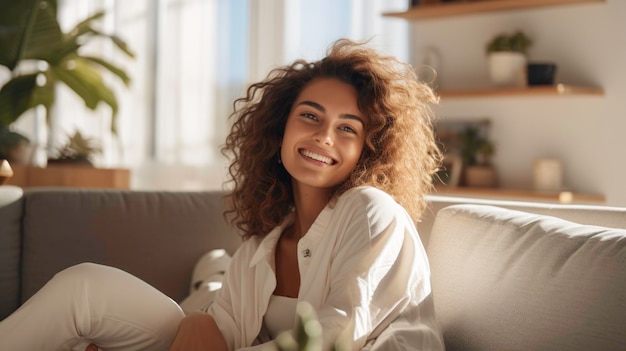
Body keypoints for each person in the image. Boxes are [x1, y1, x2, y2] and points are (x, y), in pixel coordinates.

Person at [0, 38, 444, 351]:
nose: (324, 136)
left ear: (370, 147)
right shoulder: (264, 244)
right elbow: (220, 333)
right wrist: (196, 322)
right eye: (310, 116)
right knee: (86, 287)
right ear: (281, 127)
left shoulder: (371, 210)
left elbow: (335, 338)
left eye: (347, 127)